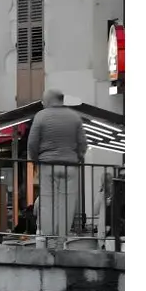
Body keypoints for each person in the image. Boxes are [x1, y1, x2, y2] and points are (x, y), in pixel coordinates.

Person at [27, 89, 88, 246]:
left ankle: (49, 240)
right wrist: (78, 157)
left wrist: (35, 160)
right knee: (67, 203)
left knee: (48, 202)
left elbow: (32, 143)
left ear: (49, 100)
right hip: (70, 166)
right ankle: (62, 239)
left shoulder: (41, 116)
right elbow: (83, 144)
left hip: (48, 165)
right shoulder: (75, 117)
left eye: (43, 100)